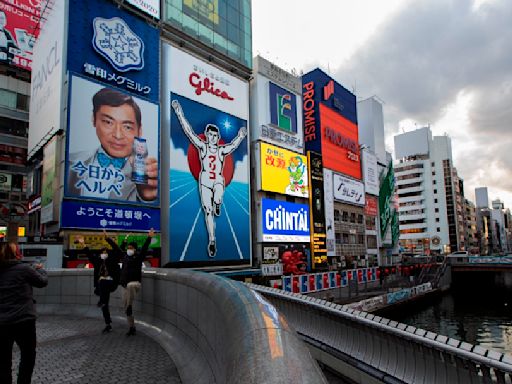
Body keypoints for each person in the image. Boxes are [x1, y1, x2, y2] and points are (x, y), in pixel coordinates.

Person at [171, 99, 247, 257]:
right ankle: (212, 240)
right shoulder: (203, 147)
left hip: (218, 179)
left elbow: (233, 146)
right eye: (210, 135)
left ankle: (218, 202)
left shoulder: (221, 150)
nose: (212, 137)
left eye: (214, 135)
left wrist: (240, 136)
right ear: (206, 135)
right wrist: (179, 113)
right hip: (204, 179)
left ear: (217, 136)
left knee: (218, 195)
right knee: (207, 211)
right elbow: (189, 132)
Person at [67, 87, 158, 202]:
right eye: (108, 122)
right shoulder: (70, 162)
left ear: (139, 131)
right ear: (94, 120)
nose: (118, 135)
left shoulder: (149, 174)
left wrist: (147, 198)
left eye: (127, 127)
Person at [0, 242, 48, 384]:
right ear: (15, 254)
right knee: (28, 355)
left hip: (2, 323)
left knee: (3, 360)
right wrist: (40, 270)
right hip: (24, 320)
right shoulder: (24, 269)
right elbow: (42, 282)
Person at [105, 228, 154, 336]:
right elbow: (116, 248)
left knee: (130, 287)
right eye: (128, 248)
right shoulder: (124, 257)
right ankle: (132, 327)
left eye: (131, 248)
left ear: (135, 250)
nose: (129, 249)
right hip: (124, 286)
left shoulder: (138, 258)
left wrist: (149, 237)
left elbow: (145, 248)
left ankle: (129, 304)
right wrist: (108, 238)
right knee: (126, 309)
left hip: (135, 284)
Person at [78, 235, 121, 334]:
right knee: (105, 306)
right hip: (102, 286)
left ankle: (101, 300)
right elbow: (89, 254)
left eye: (105, 252)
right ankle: (108, 324)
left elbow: (118, 251)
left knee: (102, 281)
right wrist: (83, 244)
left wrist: (108, 239)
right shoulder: (97, 262)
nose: (104, 254)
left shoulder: (112, 260)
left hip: (111, 283)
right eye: (102, 253)